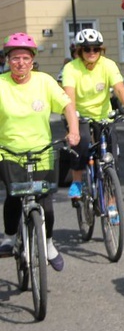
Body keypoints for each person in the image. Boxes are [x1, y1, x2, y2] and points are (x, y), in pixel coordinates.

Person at [0, 33, 80, 270]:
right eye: (15, 58)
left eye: (25, 58)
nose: (20, 63)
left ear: (32, 60)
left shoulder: (44, 81)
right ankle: (11, 237)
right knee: (14, 195)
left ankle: (48, 242)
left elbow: (67, 105)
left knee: (45, 203)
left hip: (42, 151)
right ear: (7, 60)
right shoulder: (1, 84)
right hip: (9, 152)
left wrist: (73, 131)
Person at [61, 29, 124, 204]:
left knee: (111, 158)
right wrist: (72, 115)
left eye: (96, 49)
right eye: (87, 49)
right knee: (81, 143)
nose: (92, 53)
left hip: (103, 115)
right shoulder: (71, 68)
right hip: (79, 115)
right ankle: (77, 181)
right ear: (80, 51)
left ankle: (111, 203)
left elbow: (119, 89)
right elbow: (69, 95)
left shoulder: (108, 65)